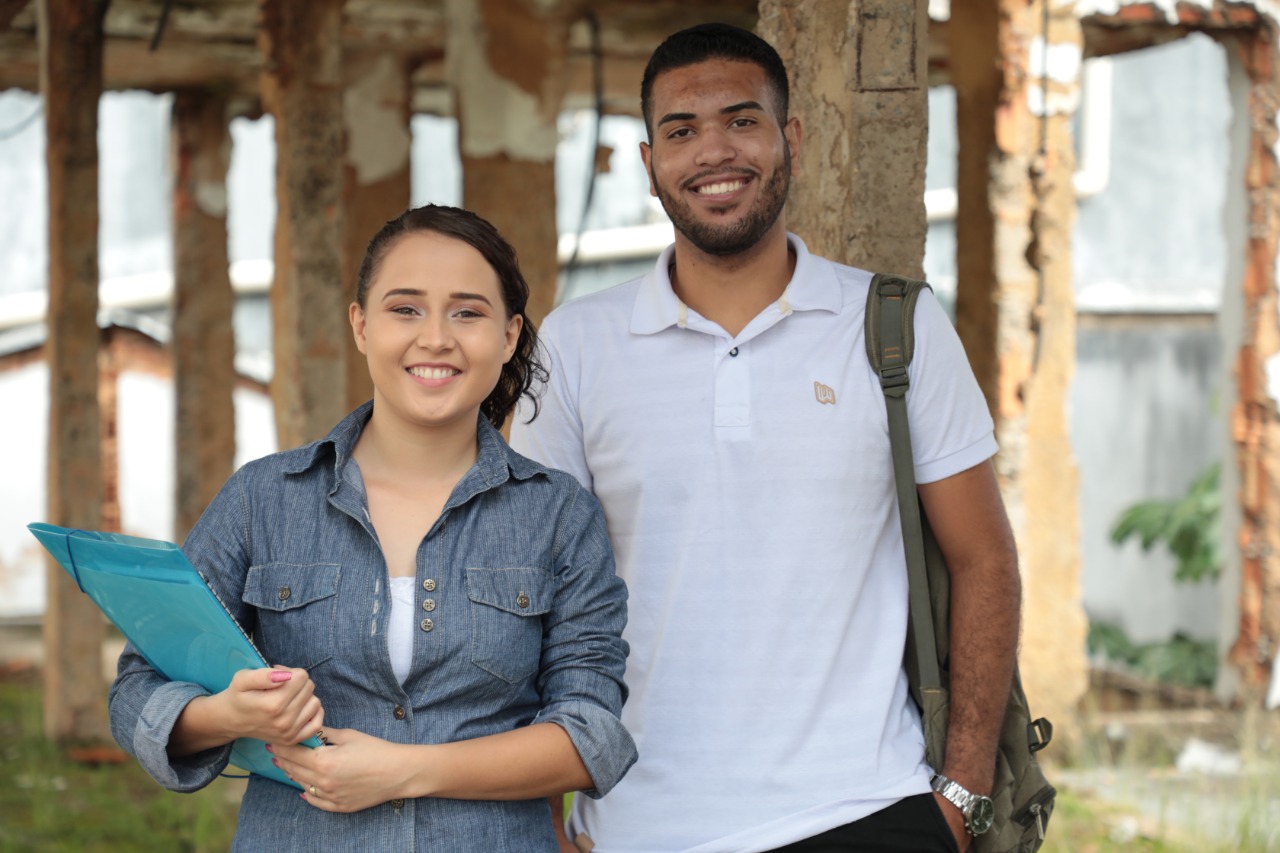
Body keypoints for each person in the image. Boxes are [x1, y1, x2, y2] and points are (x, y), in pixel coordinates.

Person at [510, 22, 1020, 853]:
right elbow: (527, 588)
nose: (714, 150)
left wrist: (962, 791)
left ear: (791, 138)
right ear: (648, 164)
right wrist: (542, 805)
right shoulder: (574, 346)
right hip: (639, 822)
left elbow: (983, 557)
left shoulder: (895, 325)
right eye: (681, 130)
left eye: (742, 121)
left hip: (867, 811)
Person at [108, 204, 637, 851]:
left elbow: (593, 735)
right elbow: (139, 686)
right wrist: (225, 714)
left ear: (508, 335)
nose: (436, 337)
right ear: (360, 325)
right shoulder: (263, 499)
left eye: (467, 311)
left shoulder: (558, 515)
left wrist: (404, 771)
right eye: (405, 308)